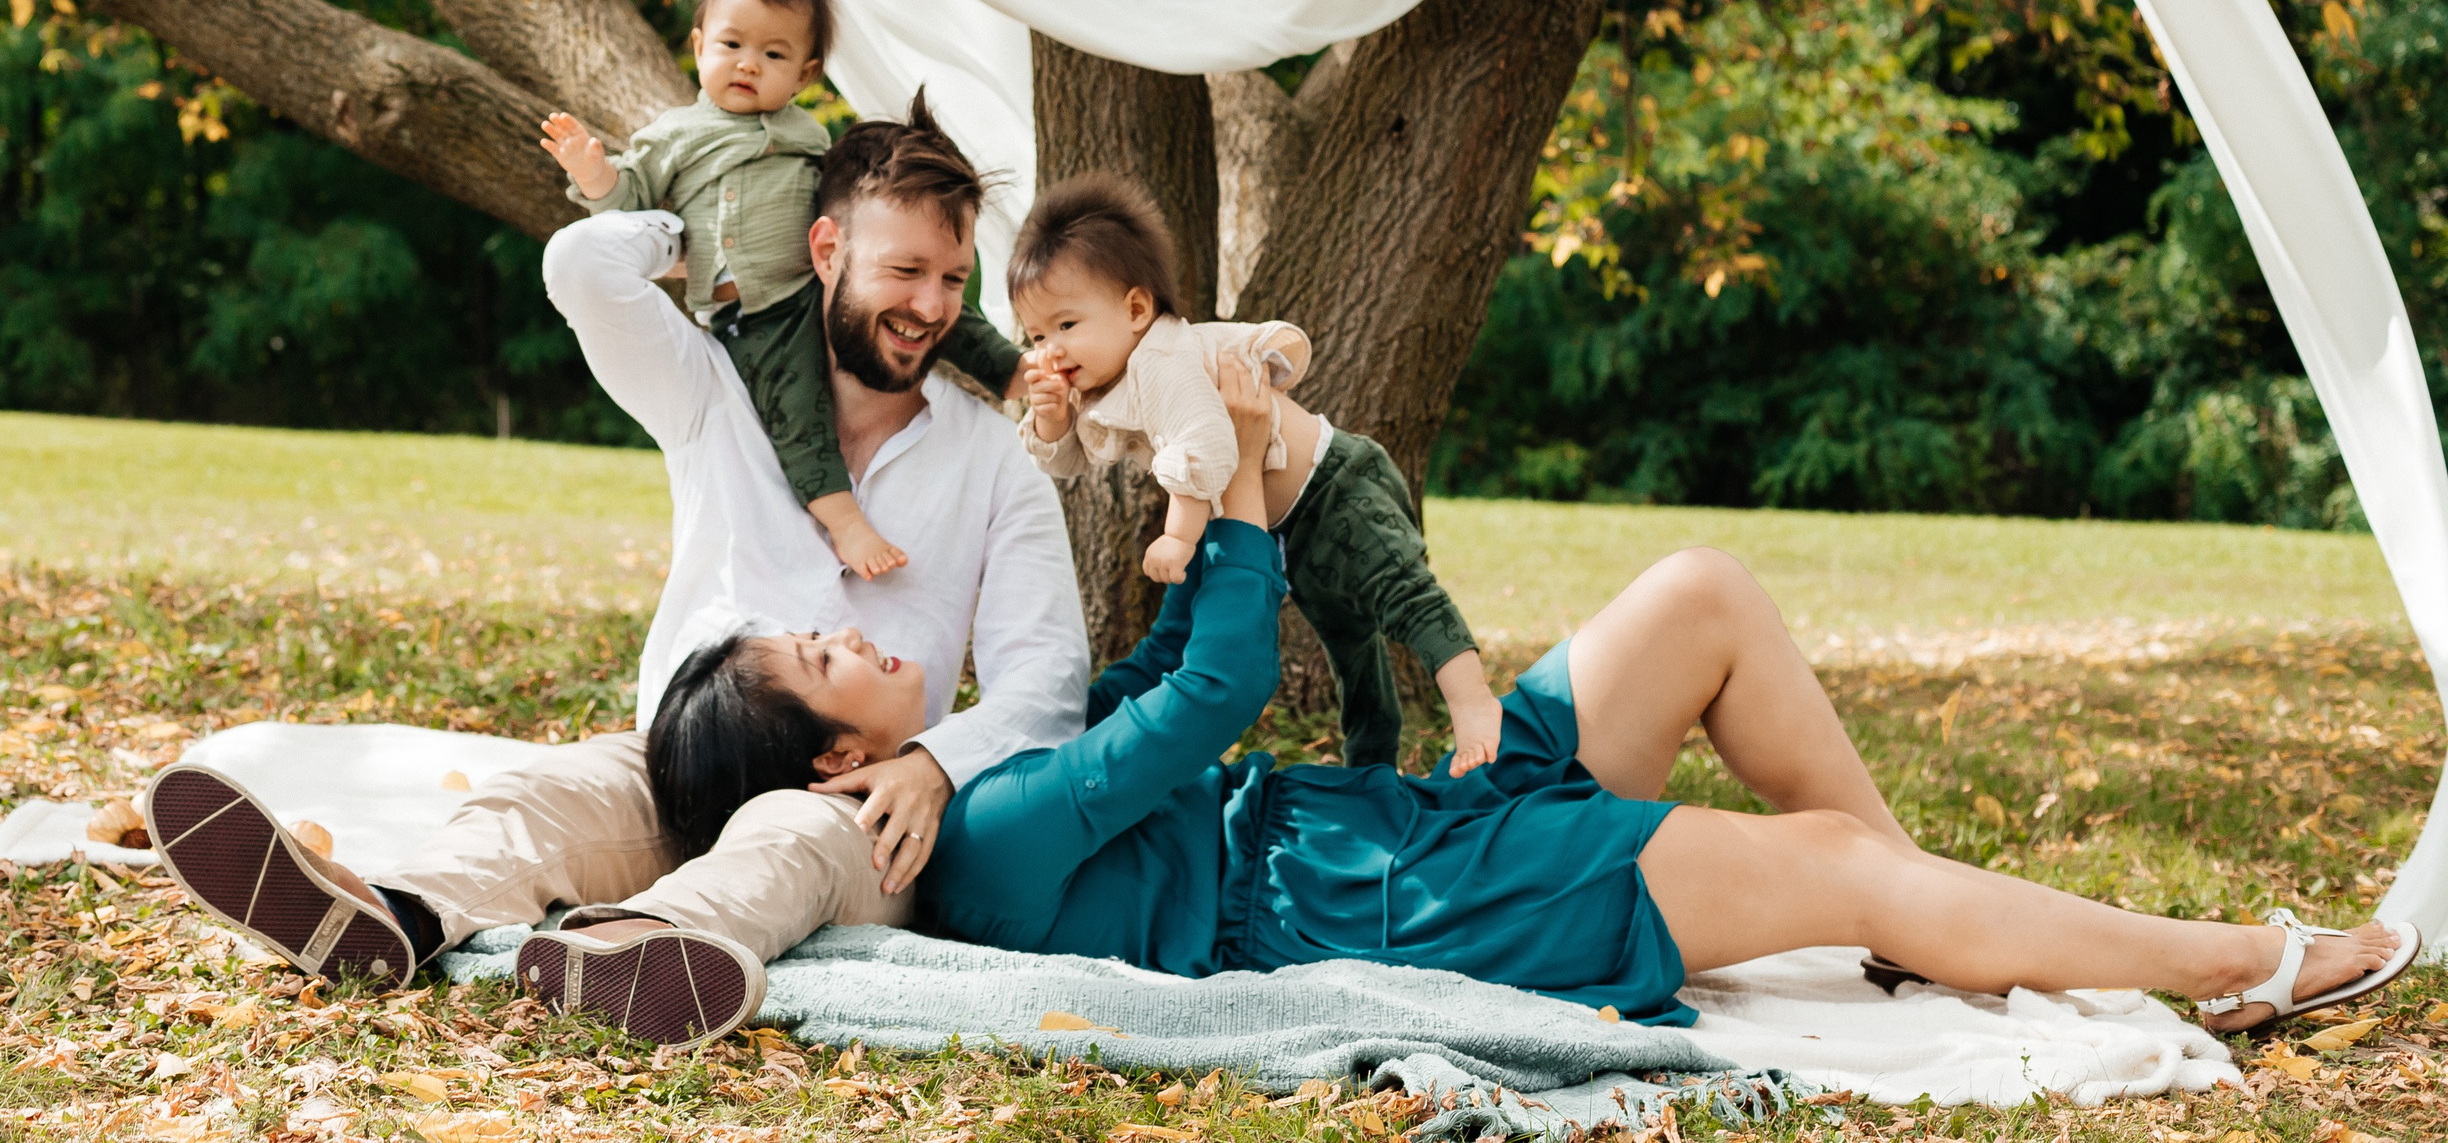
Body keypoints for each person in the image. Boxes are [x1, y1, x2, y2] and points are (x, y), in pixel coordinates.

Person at [657, 354, 2419, 1040]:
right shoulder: (994, 841)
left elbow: (1125, 691)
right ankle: (2231, 961)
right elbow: (1195, 711)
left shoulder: (982, 773)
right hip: (1415, 895)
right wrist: (1256, 489)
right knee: (1832, 862)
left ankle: (1947, 936)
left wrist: (1184, 505)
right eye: (824, 654)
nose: (854, 621)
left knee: (1704, 599)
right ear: (838, 753)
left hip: (1399, 818)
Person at [146, 97, 1088, 1048]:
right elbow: (582, 263)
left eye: (953, 278)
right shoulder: (716, 388)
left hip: (854, 798)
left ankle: (653, 947)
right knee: (545, 795)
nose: (931, 306)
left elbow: (1048, 683)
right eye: (905, 269)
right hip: (679, 758)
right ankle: (394, 915)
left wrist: (934, 764)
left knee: (787, 842)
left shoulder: (993, 460)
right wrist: (726, 230)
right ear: (826, 248)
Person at [540, 0, 1024, 579]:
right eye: (731, 45)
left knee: (928, 298)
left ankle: (1015, 373)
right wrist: (596, 174)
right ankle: (844, 521)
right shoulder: (676, 136)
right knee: (797, 408)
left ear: (805, 73)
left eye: (773, 53)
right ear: (698, 46)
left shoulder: (808, 132)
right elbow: (629, 201)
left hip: (817, 285)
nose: (747, 64)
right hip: (754, 316)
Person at [1010, 172, 1501, 774]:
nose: (1050, 349)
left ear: (1136, 309)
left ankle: (1473, 702)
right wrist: (1053, 420)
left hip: (1334, 486)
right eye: (1036, 335)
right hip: (1281, 524)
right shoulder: (1101, 382)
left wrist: (1179, 535)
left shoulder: (1165, 360)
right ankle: (1370, 762)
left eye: (1065, 326)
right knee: (1351, 649)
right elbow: (1071, 461)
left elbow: (1209, 445)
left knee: (1400, 593)